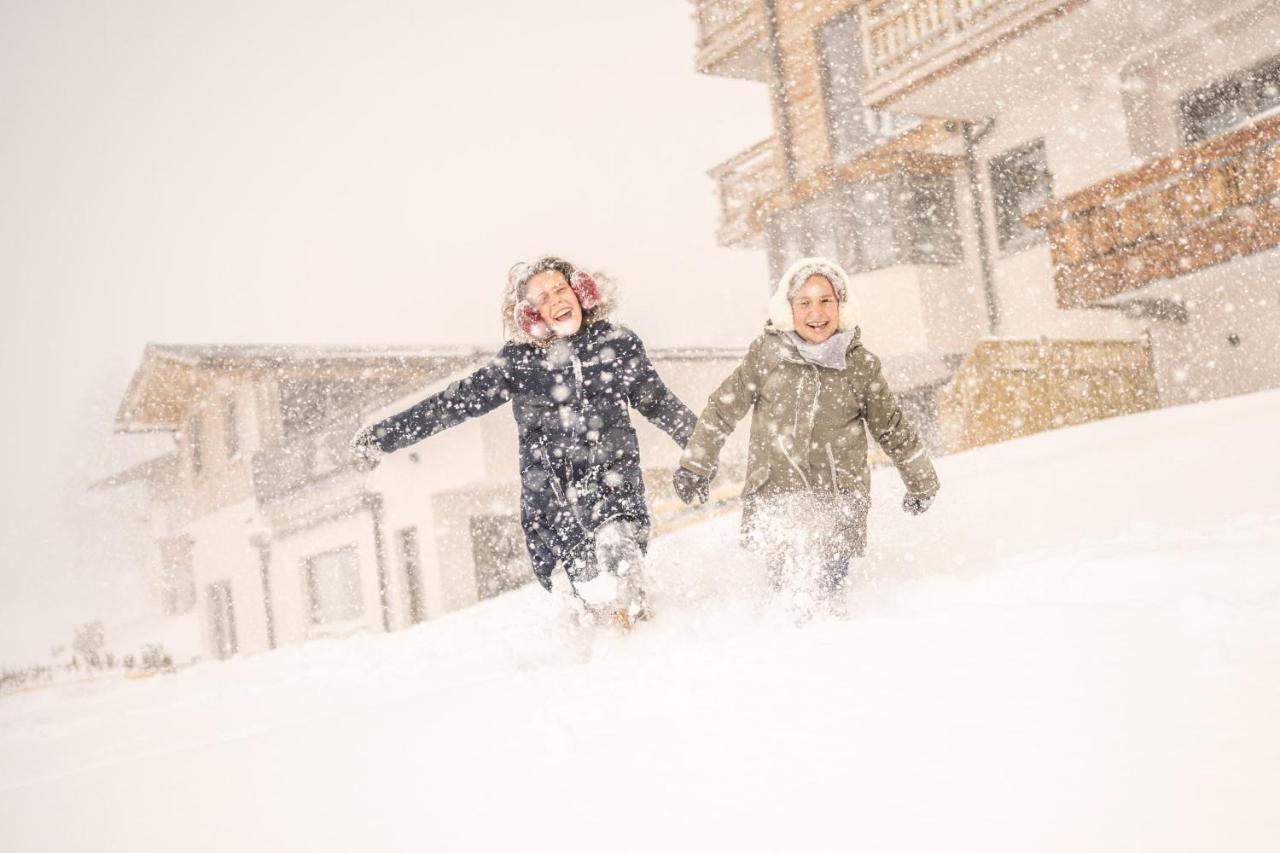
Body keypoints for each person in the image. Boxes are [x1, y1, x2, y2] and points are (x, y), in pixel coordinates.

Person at [351, 256, 696, 628]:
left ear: (581, 291)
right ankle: (594, 659)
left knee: (618, 553)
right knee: (585, 596)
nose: (556, 300)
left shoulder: (619, 345)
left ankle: (642, 637)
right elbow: (450, 404)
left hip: (614, 489)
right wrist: (381, 437)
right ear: (530, 314)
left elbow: (660, 403)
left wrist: (703, 449)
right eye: (543, 297)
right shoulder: (519, 364)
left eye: (561, 289)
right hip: (554, 503)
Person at [671, 257, 939, 618]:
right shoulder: (767, 356)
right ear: (788, 309)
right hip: (777, 497)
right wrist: (695, 465)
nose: (817, 312)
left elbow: (891, 426)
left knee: (827, 597)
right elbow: (722, 408)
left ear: (841, 306)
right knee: (788, 599)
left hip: (838, 499)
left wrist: (921, 481)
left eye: (826, 300)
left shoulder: (859, 365)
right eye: (805, 302)